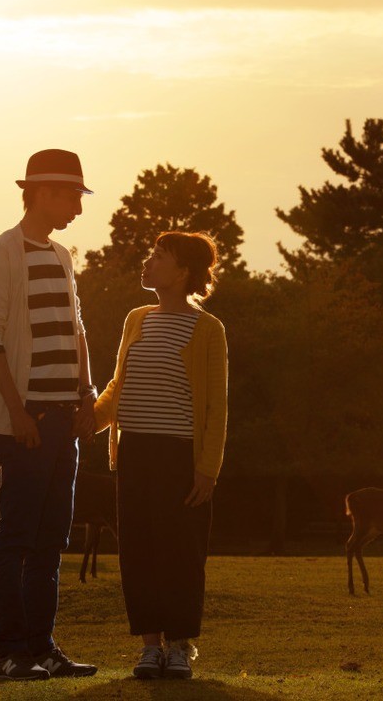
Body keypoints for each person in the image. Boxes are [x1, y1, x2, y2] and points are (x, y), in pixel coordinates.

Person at [0, 149, 99, 681]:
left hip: (65, 420)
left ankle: (43, 649)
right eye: (72, 196)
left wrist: (88, 393)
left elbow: (77, 329)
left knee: (51, 542)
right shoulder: (2, 250)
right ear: (41, 193)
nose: (78, 208)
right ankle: (10, 652)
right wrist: (17, 412)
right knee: (17, 538)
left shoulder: (63, 256)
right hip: (25, 423)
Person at [93, 231, 228, 680]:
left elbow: (216, 405)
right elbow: (119, 383)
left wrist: (207, 468)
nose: (147, 263)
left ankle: (180, 645)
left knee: (182, 553)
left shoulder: (208, 329)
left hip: (181, 457)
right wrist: (89, 420)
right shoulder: (137, 319)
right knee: (139, 551)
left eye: (158, 257)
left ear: (183, 272)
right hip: (135, 451)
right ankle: (150, 647)